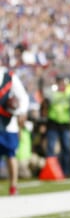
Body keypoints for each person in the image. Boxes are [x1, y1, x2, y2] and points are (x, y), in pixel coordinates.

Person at [41, 74, 70, 177]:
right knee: (51, 148)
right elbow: (44, 107)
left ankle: (65, 171)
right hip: (53, 123)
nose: (63, 85)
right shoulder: (51, 94)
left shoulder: (69, 95)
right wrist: (43, 122)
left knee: (66, 148)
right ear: (57, 83)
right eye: (61, 83)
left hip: (65, 124)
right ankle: (51, 171)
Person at [0, 65, 30, 195]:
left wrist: (21, 111)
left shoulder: (9, 76)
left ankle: (13, 186)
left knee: (10, 155)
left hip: (8, 122)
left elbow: (23, 96)